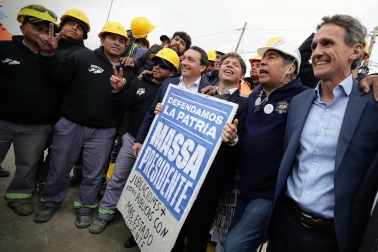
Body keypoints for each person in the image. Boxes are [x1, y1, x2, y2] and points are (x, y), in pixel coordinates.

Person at [267, 14, 378, 252]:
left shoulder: (372, 104)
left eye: (327, 43)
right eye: (315, 45)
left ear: (355, 50)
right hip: (284, 226)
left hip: (334, 239)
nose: (316, 52)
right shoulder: (299, 102)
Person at [32, 21, 135, 228]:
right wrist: (48, 56)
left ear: (126, 46)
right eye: (112, 38)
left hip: (104, 132)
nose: (116, 43)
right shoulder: (82, 56)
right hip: (71, 124)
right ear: (102, 39)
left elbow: (126, 105)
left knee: (93, 174)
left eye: (121, 40)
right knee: (59, 167)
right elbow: (58, 78)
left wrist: (118, 91)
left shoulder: (128, 71)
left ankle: (85, 207)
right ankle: (50, 201)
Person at [224, 38, 308, 252]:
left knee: (235, 246)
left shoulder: (305, 98)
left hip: (270, 194)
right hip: (246, 188)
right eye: (263, 59)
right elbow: (245, 141)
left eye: (272, 58)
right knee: (230, 242)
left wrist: (370, 78)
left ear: (291, 68)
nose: (262, 63)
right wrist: (233, 139)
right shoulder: (254, 97)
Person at [124, 46, 208, 248]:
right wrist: (140, 140)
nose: (185, 63)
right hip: (157, 151)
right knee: (151, 194)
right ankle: (139, 233)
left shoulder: (209, 91)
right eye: (184, 59)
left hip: (181, 160)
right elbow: (150, 112)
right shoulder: (168, 83)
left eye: (191, 60)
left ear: (203, 67)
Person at [88, 48, 179, 235]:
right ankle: (105, 213)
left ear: (173, 73)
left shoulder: (177, 92)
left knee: (146, 189)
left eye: (164, 66)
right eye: (156, 63)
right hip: (131, 140)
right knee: (118, 177)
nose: (157, 67)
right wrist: (119, 91)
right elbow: (124, 104)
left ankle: (137, 226)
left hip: (157, 147)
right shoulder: (139, 82)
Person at [170, 52, 248, 252]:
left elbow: (244, 145)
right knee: (177, 222)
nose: (229, 66)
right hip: (186, 172)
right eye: (226, 63)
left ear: (241, 76)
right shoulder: (202, 97)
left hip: (213, 179)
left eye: (235, 65)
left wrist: (233, 139)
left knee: (199, 225)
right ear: (218, 69)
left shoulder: (245, 104)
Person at [0, 3, 62, 216]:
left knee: (28, 164)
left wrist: (49, 56)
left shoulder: (57, 57)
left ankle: (18, 197)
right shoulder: (3, 49)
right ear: (23, 27)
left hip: (37, 126)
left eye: (47, 30)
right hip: (1, 121)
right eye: (37, 28)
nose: (43, 34)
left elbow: (60, 82)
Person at [36, 8, 91, 190]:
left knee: (56, 152)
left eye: (79, 27)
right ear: (62, 25)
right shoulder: (44, 43)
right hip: (36, 110)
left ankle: (45, 182)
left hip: (64, 113)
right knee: (34, 153)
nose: (74, 28)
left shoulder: (85, 56)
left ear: (84, 35)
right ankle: (33, 181)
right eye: (70, 24)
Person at [124, 31, 192, 77]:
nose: (177, 43)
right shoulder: (155, 49)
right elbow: (137, 63)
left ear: (185, 50)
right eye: (176, 39)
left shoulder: (181, 67)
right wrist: (130, 62)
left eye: (182, 43)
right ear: (171, 40)